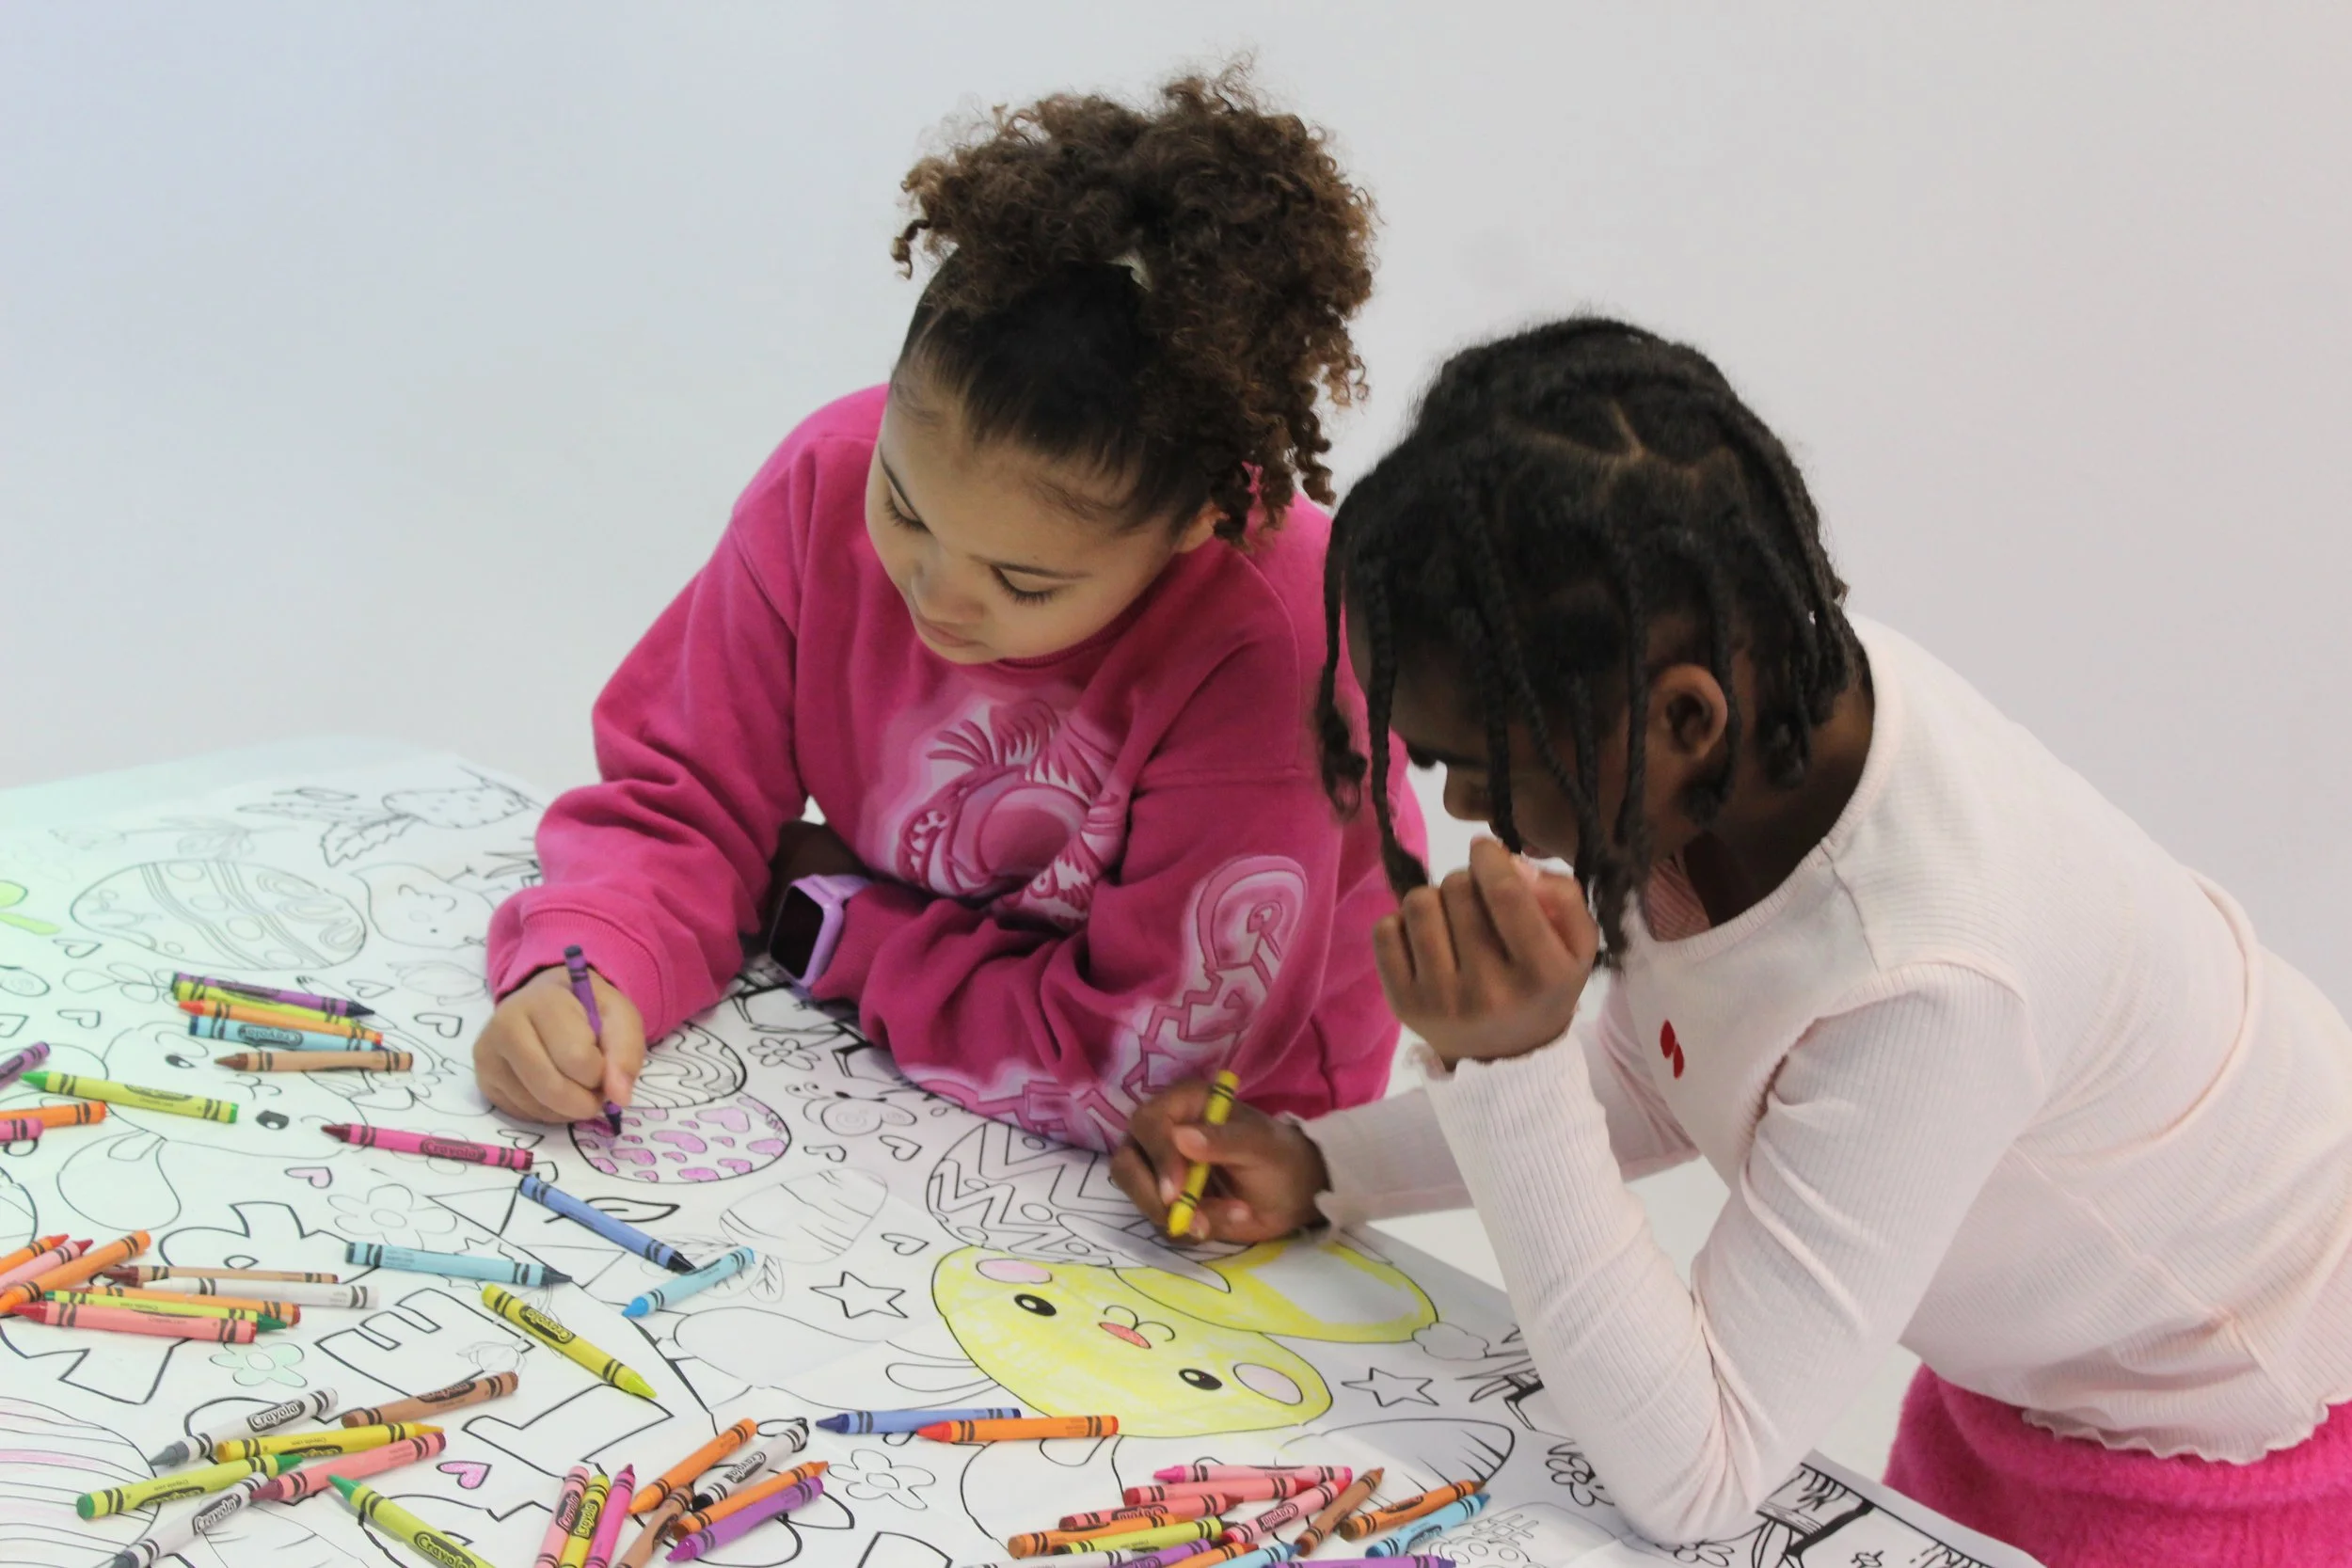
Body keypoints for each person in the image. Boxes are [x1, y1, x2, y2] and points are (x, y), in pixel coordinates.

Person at [1112, 319, 2352, 1564]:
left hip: (2223, 1439)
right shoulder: (1765, 729)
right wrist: (1321, 1162)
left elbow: (1697, 1476)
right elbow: (1671, 1067)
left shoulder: (1928, 984)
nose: (1468, 813)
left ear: (1683, 716)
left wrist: (1510, 1065)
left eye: (1475, 764)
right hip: (2031, 1364)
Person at [473, 68, 1422, 1151]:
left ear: (1200, 516)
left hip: (1207, 1162)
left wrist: (831, 923)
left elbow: (1145, 1076)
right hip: (887, 1057)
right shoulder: (823, 481)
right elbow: (685, 797)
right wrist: (587, 961)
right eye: (904, 507)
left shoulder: (1279, 645)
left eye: (1024, 582)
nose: (936, 595)